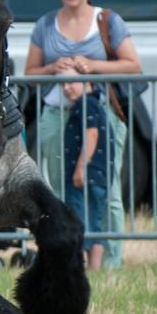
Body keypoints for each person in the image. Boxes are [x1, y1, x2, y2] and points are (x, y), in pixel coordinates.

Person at [24, 0, 140, 268]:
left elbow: (133, 65)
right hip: (56, 116)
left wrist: (94, 66)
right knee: (61, 190)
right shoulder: (45, 24)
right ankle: (71, 260)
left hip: (100, 116)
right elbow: (30, 72)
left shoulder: (107, 21)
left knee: (107, 189)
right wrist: (52, 67)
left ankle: (111, 262)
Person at [59, 69, 110, 269]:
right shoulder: (94, 104)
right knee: (94, 224)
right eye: (62, 84)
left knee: (78, 223)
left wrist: (80, 168)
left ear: (87, 81)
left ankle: (79, 269)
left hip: (85, 177)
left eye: (71, 82)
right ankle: (95, 270)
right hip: (97, 176)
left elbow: (92, 135)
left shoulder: (86, 104)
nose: (66, 87)